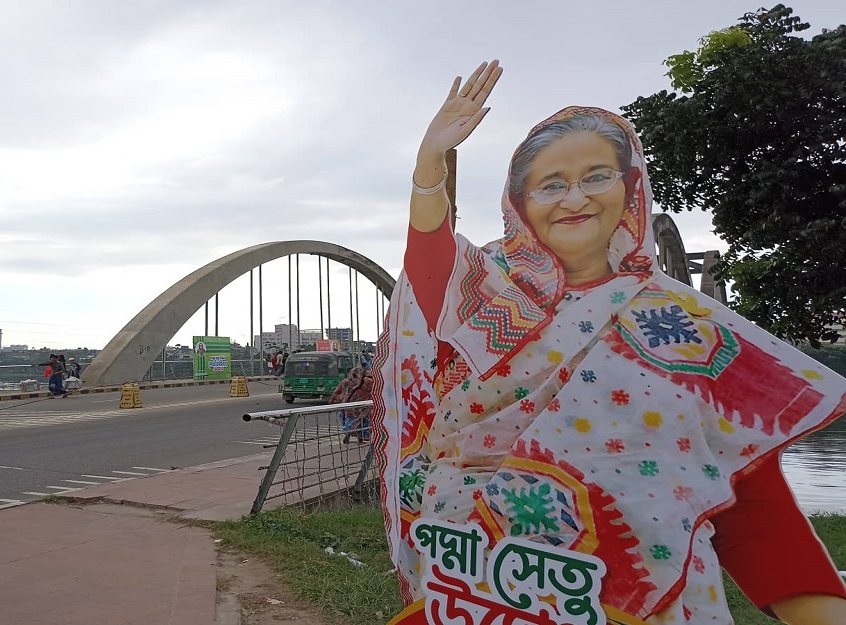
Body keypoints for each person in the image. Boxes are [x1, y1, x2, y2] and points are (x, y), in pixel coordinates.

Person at [374, 60, 845, 624]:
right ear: (520, 203)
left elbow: (751, 502)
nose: (574, 198)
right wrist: (429, 169)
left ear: (630, 187)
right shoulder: (483, 298)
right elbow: (430, 266)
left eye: (596, 176)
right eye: (550, 185)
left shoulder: (681, 322)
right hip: (477, 584)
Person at [330, 367, 373, 443]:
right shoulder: (368, 382)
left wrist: (333, 402)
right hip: (361, 407)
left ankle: (348, 434)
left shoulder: (345, 382)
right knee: (361, 423)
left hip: (346, 406)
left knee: (349, 422)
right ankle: (359, 438)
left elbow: (337, 392)